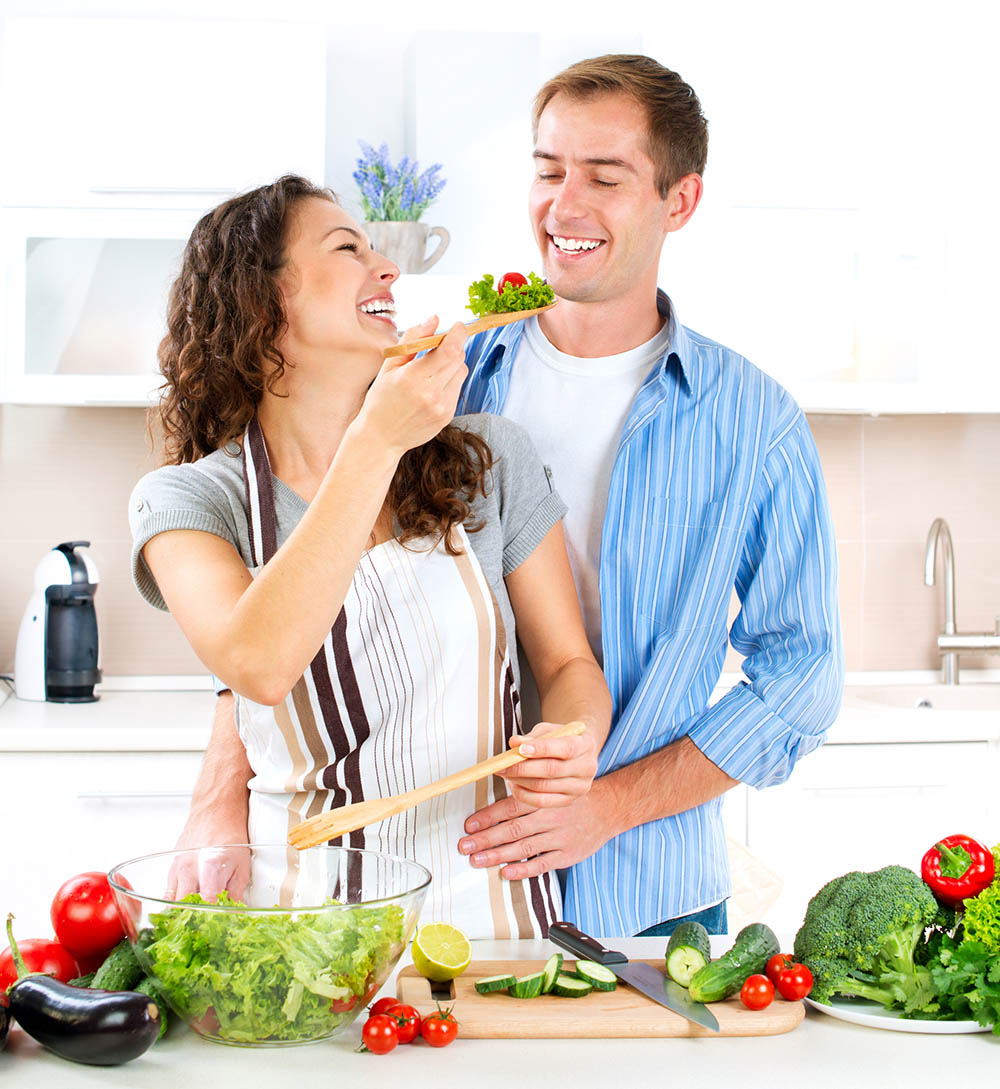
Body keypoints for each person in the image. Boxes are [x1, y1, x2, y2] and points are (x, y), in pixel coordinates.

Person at [128, 175, 611, 938]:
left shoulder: (492, 459)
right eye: (348, 248)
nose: (387, 267)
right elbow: (256, 663)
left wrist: (575, 738)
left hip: (490, 921)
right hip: (303, 934)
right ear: (264, 303)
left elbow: (567, 668)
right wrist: (378, 438)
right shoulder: (187, 502)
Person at [454, 54, 844, 938]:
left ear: (680, 201)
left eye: (606, 176)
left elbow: (802, 678)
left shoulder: (753, 420)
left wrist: (607, 807)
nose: (564, 206)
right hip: (452, 887)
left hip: (653, 901)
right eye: (548, 170)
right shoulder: (449, 384)